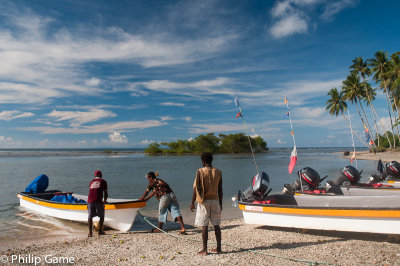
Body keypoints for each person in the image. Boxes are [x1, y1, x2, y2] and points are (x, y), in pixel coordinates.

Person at [190, 152, 223, 255]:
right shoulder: (218, 172)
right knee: (216, 225)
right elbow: (220, 189)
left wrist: (192, 202)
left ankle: (204, 249)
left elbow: (196, 188)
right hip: (215, 200)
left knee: (204, 226)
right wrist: (220, 203)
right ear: (211, 160)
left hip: (204, 201)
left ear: (203, 162)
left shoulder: (200, 171)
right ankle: (218, 248)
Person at [87, 170, 108, 237]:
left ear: (94, 176)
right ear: (101, 175)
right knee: (101, 216)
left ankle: (90, 233)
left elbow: (92, 191)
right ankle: (100, 231)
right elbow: (106, 193)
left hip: (90, 200)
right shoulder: (103, 181)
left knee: (90, 217)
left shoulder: (91, 182)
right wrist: (104, 201)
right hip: (98, 201)